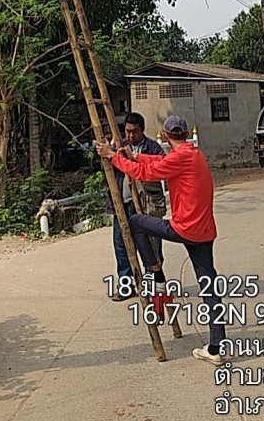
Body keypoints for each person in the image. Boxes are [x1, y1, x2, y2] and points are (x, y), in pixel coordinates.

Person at [97, 114, 226, 365]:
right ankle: (215, 346)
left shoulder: (178, 158)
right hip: (204, 231)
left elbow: (146, 173)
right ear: (187, 134)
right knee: (209, 286)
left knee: (136, 222)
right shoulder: (193, 153)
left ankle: (155, 271)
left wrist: (113, 157)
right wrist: (135, 156)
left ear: (165, 136)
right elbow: (161, 161)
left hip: (184, 228)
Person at [106, 112, 166, 302]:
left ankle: (152, 284)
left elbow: (161, 169)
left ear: (142, 130)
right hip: (122, 204)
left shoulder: (153, 148)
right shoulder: (117, 146)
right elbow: (104, 167)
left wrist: (136, 160)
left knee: (152, 246)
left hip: (147, 205)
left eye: (135, 131)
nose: (131, 135)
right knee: (121, 245)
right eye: (128, 131)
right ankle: (126, 285)